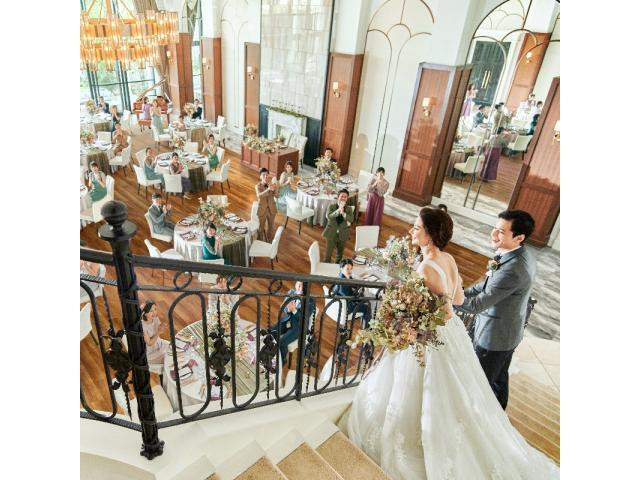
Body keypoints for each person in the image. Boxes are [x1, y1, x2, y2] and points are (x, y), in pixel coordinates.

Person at [344, 207, 559, 479]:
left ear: (430, 234)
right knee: (457, 391)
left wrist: (408, 317)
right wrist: (435, 298)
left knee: (419, 390)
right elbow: (457, 299)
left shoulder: (426, 267)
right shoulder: (448, 258)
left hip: (430, 338)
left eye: (417, 227)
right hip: (452, 335)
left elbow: (445, 311)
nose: (412, 231)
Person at [458, 210, 536, 410]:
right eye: (495, 228)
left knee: (480, 382)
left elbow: (476, 306)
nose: (493, 234)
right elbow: (487, 285)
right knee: (499, 378)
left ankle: (478, 418)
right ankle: (499, 414)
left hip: (495, 337)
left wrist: (448, 297)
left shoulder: (513, 269)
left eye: (501, 231)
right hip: (509, 330)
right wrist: (462, 291)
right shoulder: (518, 252)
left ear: (519, 237)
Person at [269, 281, 316, 364]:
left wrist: (294, 310)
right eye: (299, 285)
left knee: (282, 343)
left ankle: (282, 360)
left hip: (299, 327)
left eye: (303, 287)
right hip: (288, 320)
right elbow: (283, 307)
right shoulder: (291, 292)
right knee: (271, 331)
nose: (301, 289)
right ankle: (271, 354)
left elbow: (303, 319)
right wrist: (288, 309)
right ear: (296, 284)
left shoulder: (310, 301)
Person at [331, 259, 371, 327]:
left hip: (342, 302)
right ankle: (366, 327)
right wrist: (357, 294)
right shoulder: (342, 283)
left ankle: (364, 320)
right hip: (347, 306)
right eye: (347, 269)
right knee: (367, 307)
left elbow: (350, 284)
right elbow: (348, 297)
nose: (350, 271)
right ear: (341, 268)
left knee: (364, 298)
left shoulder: (342, 276)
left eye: (351, 269)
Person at [322, 189, 354, 263]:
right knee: (328, 253)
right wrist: (338, 210)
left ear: (347, 198)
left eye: (345, 197)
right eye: (342, 196)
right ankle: (326, 266)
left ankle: (337, 266)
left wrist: (343, 213)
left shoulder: (349, 209)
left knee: (340, 254)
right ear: (338, 197)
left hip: (343, 233)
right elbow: (329, 216)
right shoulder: (332, 206)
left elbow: (351, 219)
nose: (343, 198)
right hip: (331, 233)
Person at [141, 300, 169, 364]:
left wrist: (162, 326)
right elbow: (149, 343)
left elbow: (159, 329)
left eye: (155, 309)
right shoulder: (143, 326)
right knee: (168, 359)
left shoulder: (155, 318)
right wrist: (159, 332)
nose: (154, 313)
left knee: (174, 348)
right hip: (151, 351)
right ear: (145, 313)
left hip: (159, 343)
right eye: (151, 311)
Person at [255, 168, 278, 241]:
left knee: (271, 228)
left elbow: (277, 196)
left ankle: (270, 242)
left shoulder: (272, 184)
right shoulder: (257, 186)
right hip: (262, 210)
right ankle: (260, 242)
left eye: (267, 175)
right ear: (260, 176)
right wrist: (268, 189)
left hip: (272, 209)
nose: (265, 176)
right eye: (263, 175)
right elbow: (259, 196)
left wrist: (275, 189)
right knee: (261, 228)